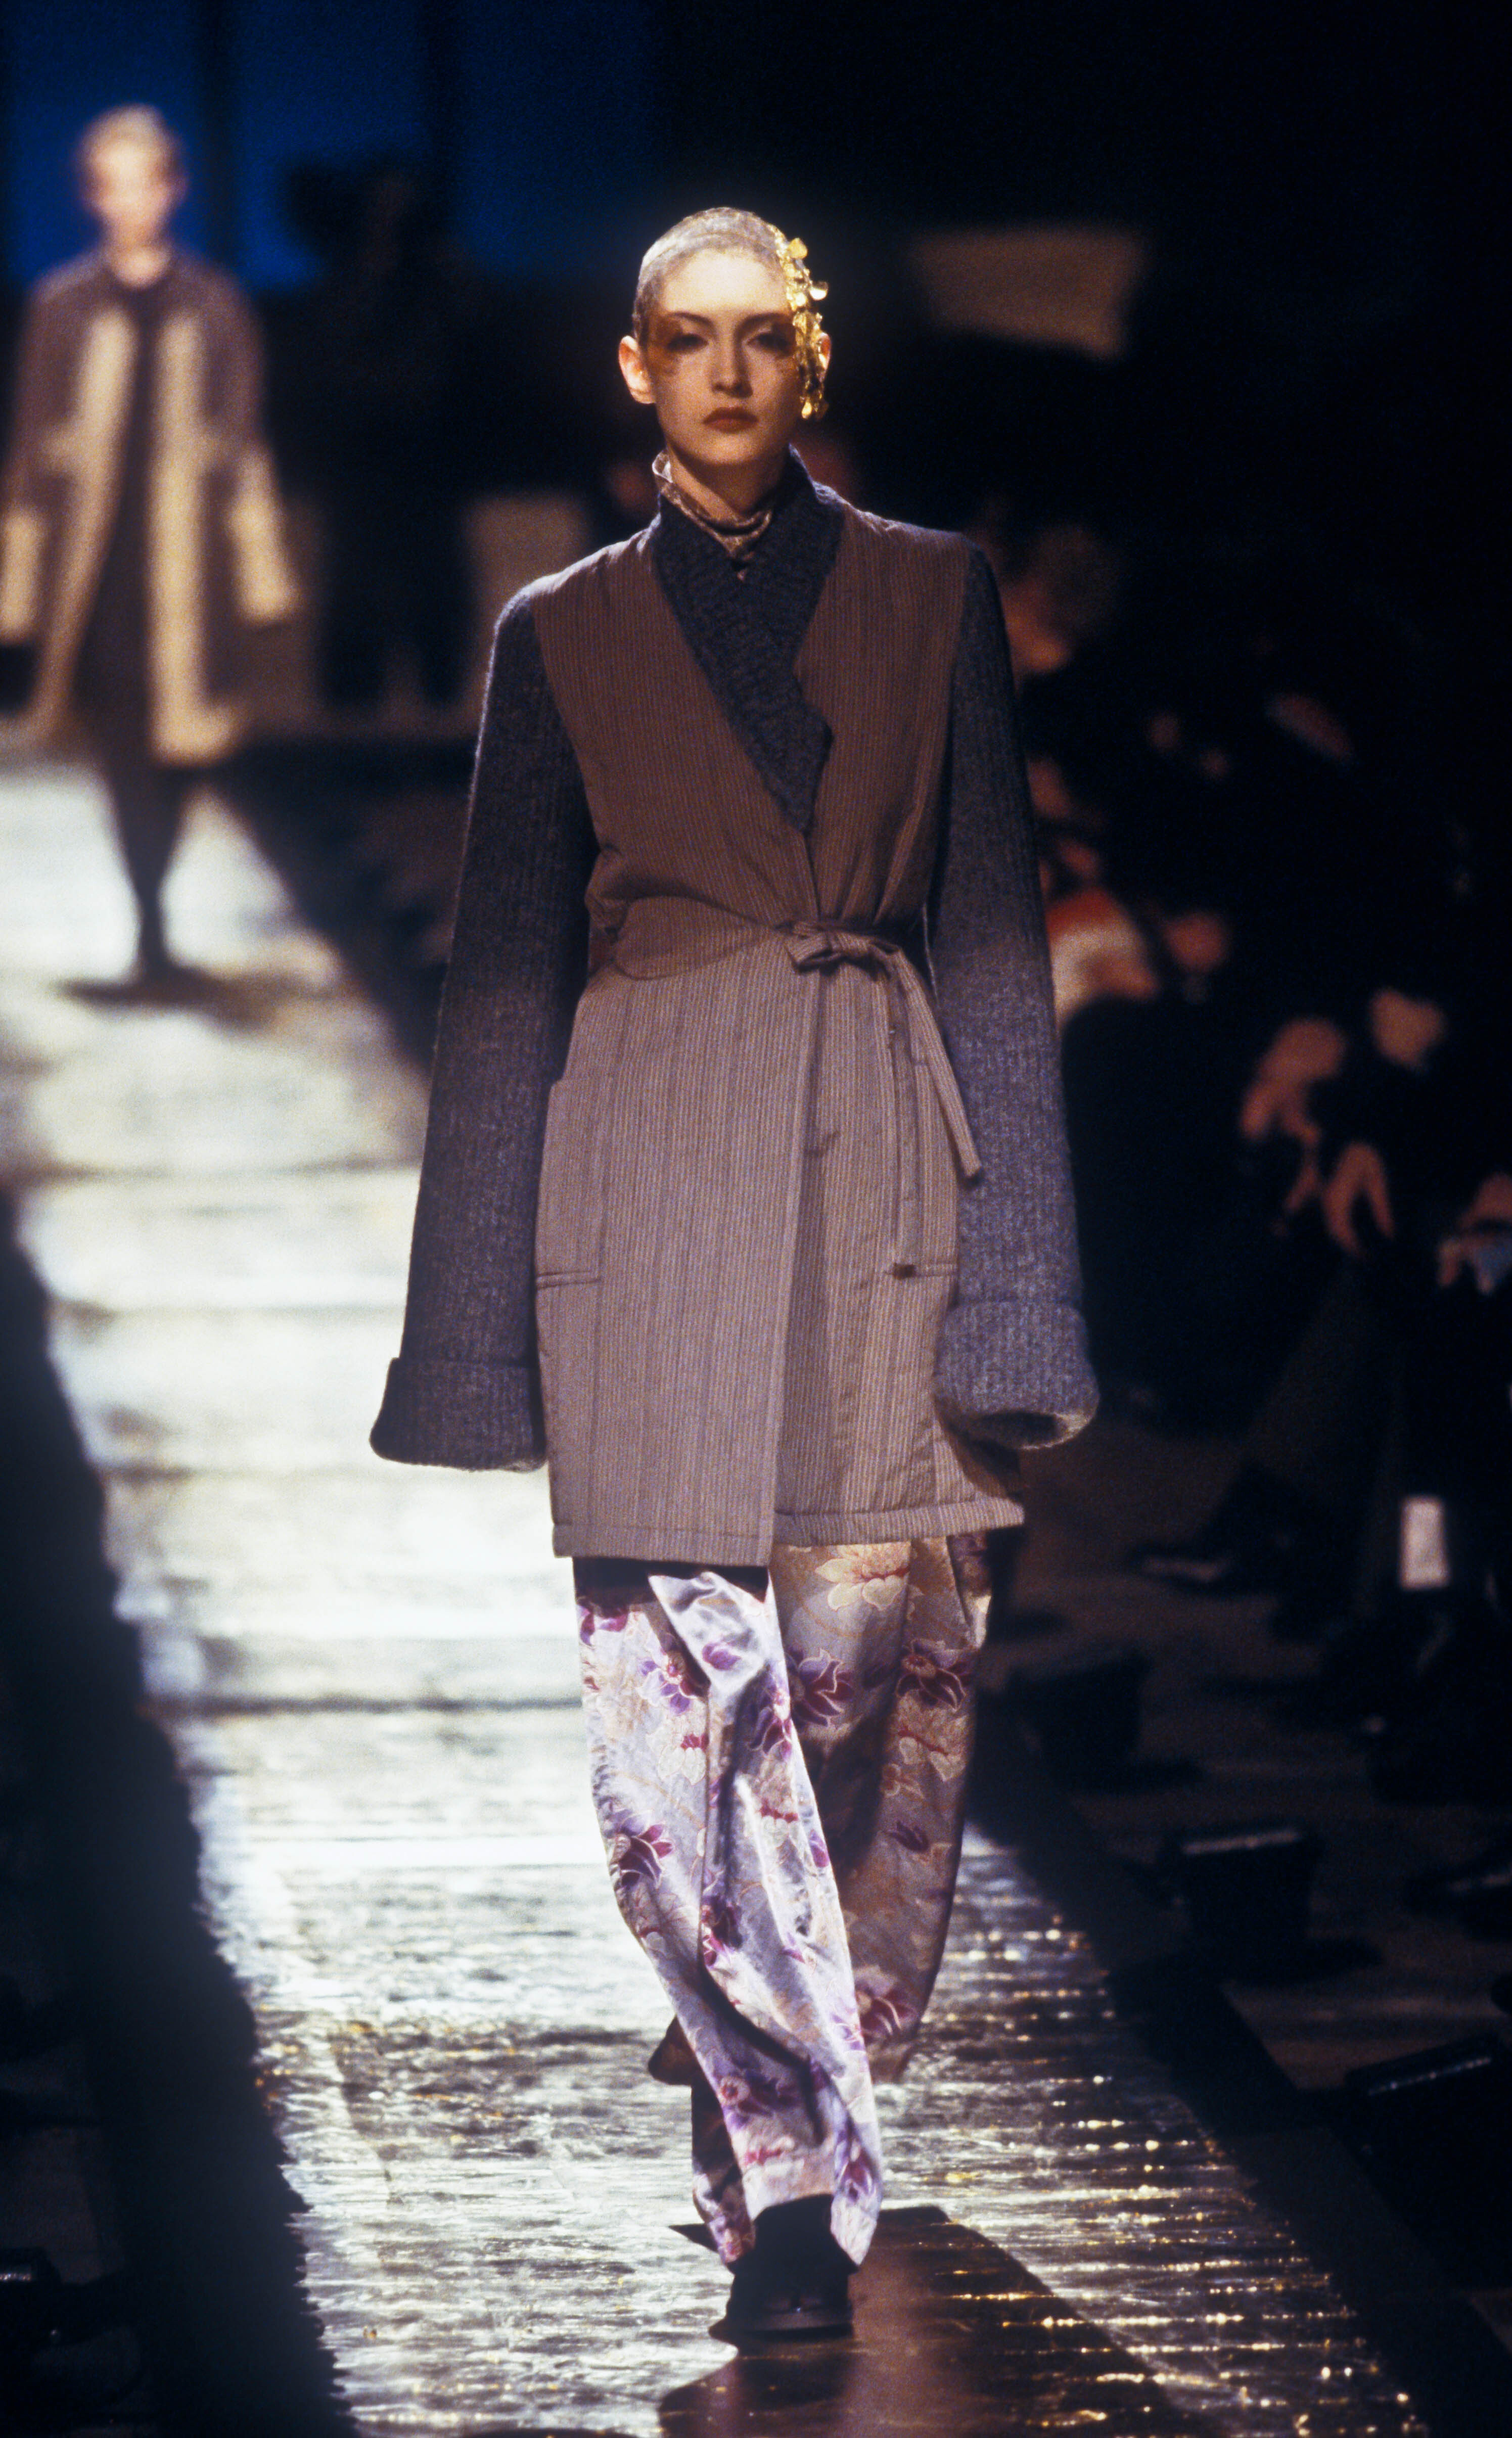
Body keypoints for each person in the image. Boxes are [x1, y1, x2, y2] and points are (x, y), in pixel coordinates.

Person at [370, 209, 1093, 2336]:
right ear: (633, 370)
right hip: (645, 1187)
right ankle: (787, 2186)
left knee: (865, 1698)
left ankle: (765, 2078)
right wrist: (473, 1338)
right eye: (684, 339)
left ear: (810, 360)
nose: (722, 371)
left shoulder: (934, 593)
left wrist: (1023, 1286)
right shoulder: (561, 633)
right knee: (674, 1722)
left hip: (881, 1175)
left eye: (759, 336)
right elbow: (506, 986)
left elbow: (992, 944)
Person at [0, 106, 297, 987]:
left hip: (192, 563)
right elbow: (31, 453)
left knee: (187, 746)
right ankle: (150, 921)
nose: (129, 201)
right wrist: (19, 590)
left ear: (174, 190)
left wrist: (261, 576)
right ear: (93, 197)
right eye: (111, 185)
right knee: (125, 743)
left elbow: (245, 444)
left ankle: (155, 898)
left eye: (145, 182)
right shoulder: (61, 306)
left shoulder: (216, 305)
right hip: (94, 573)